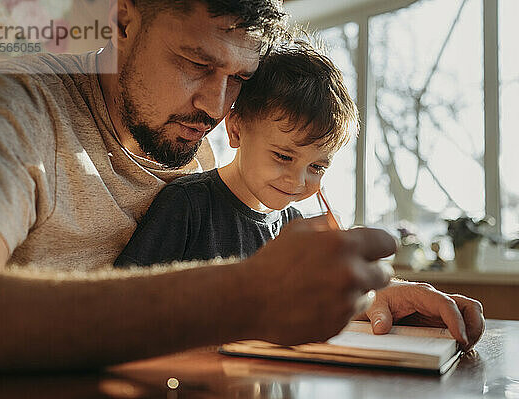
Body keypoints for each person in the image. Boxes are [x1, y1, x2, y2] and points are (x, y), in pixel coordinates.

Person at [0, 0, 484, 373]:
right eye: (197, 64)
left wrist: (365, 299)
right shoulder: (16, 112)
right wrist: (242, 296)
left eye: (239, 78)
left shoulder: (201, 145)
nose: (217, 109)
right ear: (123, 22)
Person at [114, 40, 356, 267]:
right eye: (284, 156)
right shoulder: (187, 205)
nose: (298, 181)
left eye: (317, 167)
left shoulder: (295, 227)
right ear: (237, 130)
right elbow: (125, 297)